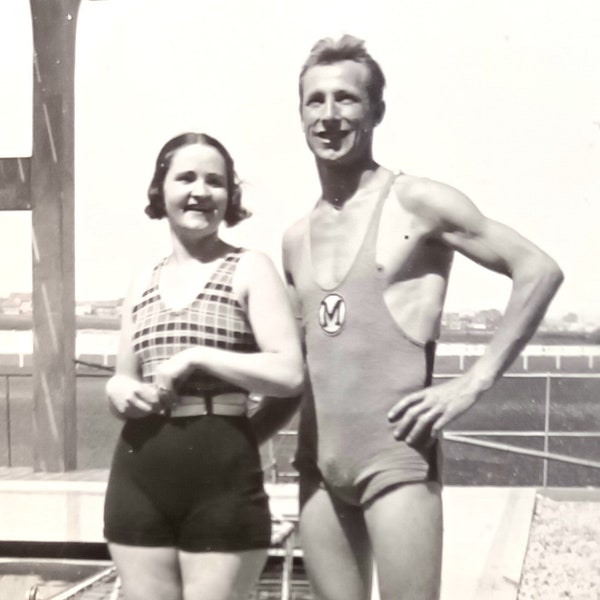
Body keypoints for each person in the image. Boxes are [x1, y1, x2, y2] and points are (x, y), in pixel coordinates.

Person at [282, 35, 563, 600]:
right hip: (317, 468)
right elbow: (301, 367)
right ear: (301, 114)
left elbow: (538, 269)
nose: (330, 116)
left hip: (397, 462)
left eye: (347, 99)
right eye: (316, 101)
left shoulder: (416, 201)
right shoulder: (294, 237)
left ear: (376, 111)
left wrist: (472, 382)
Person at [103, 132, 303, 600]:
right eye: (186, 177)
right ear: (161, 190)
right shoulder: (143, 281)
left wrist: (197, 356)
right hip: (139, 473)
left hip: (223, 478)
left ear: (230, 197)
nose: (200, 191)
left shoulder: (250, 267)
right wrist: (116, 389)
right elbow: (126, 382)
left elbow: (291, 374)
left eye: (215, 181)